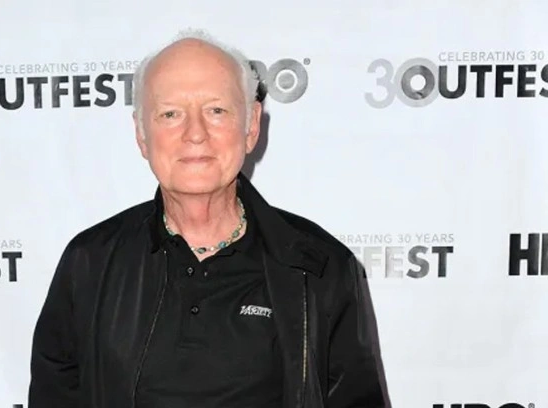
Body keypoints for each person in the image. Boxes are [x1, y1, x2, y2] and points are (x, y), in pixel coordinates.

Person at [28, 29, 386, 408]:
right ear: (141, 135)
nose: (195, 134)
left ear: (251, 126)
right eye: (170, 114)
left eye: (216, 111)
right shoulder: (90, 264)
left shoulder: (320, 267)